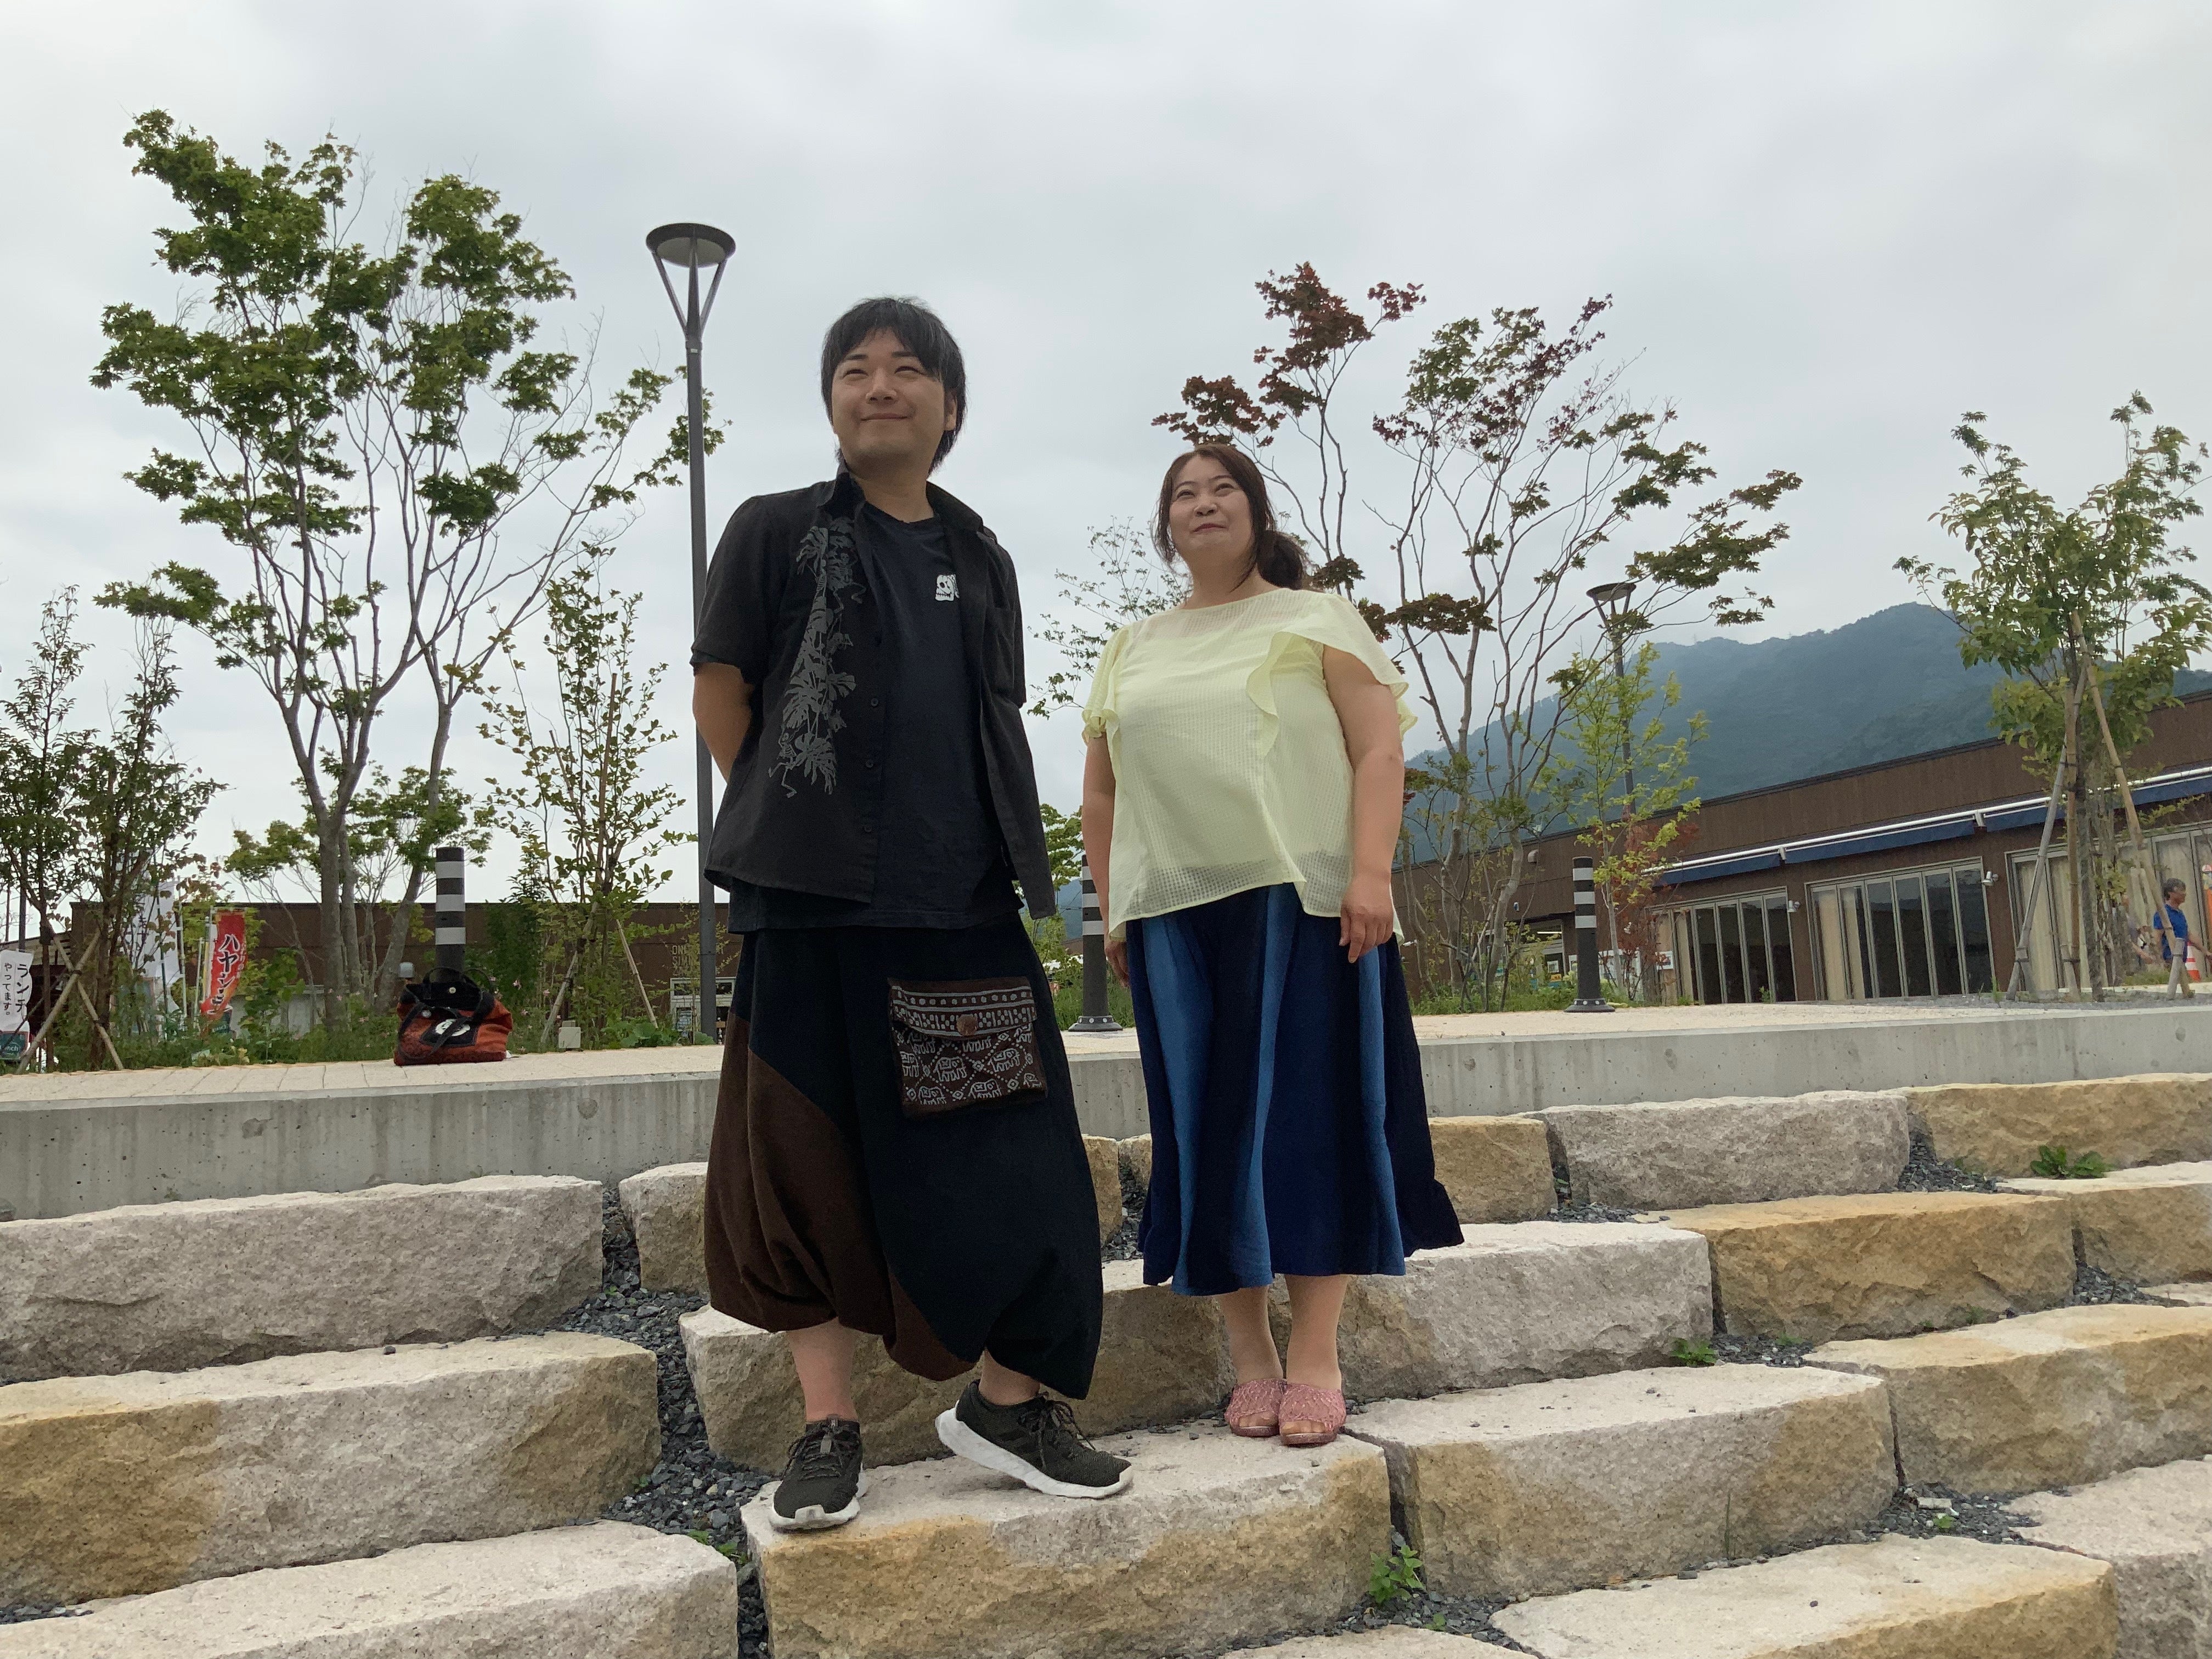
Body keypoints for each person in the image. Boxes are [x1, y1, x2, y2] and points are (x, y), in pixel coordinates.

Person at [691, 297, 1130, 1532]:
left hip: (966, 904)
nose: (878, 385)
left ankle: (1009, 1402)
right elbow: (724, 697)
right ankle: (827, 1426)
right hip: (812, 910)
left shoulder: (982, 555)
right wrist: (802, 819)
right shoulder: (774, 529)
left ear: (950, 406)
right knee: (803, 1166)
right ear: (831, 401)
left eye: (906, 369)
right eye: (854, 368)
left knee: (1026, 1167)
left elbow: (987, 718)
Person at [1079, 442, 1464, 1448]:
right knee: (1204, 1125)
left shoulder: (1315, 618)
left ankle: (1317, 1354)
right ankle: (1249, 1352)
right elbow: (1103, 793)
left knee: (1310, 1119)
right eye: (1183, 494)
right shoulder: (1132, 646)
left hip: (1304, 899)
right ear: (1165, 524)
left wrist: (1370, 873)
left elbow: (1378, 748)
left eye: (1223, 489)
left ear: (1255, 510)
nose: (1202, 504)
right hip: (1175, 912)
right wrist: (1116, 908)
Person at [2159, 877, 2196, 998]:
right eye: (2181, 890)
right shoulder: (2163, 914)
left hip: (2181, 960)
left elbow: (2188, 935)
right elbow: (2157, 937)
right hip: (2170, 960)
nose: (2184, 893)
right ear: (2171, 893)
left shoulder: (2180, 914)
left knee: (2187, 992)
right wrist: (2159, 959)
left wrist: (2205, 951)